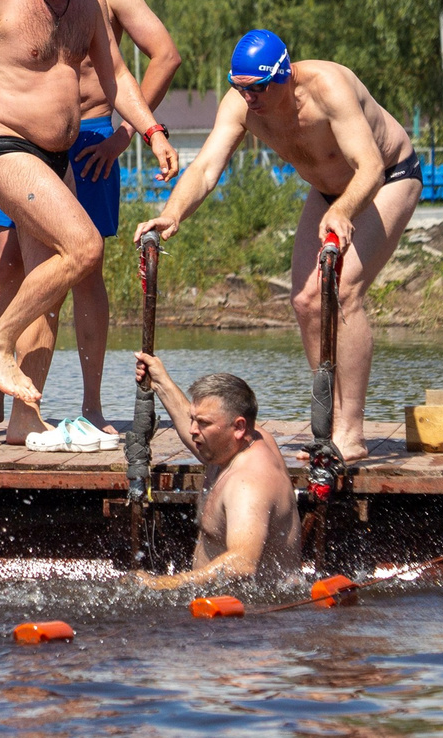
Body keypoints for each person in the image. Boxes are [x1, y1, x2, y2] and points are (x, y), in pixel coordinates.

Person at [0, 0, 183, 444]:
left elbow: (132, 68)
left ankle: (49, 415)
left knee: (66, 273)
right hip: (12, 146)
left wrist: (143, 131)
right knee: (48, 257)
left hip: (83, 142)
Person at [133, 29, 419, 464]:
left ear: (284, 75)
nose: (250, 98)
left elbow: (370, 167)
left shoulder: (329, 87)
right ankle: (330, 422)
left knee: (344, 291)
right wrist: (171, 213)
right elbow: (208, 166)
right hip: (328, 193)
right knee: (305, 301)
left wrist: (344, 211)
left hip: (388, 179)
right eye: (241, 88)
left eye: (259, 88)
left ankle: (351, 433)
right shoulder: (241, 105)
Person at [129, 358, 300, 589]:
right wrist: (160, 382)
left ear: (238, 427)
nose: (193, 431)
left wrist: (162, 584)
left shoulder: (248, 484)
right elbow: (199, 422)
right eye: (193, 419)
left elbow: (243, 562)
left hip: (251, 616)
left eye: (203, 423)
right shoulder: (236, 441)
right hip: (223, 606)